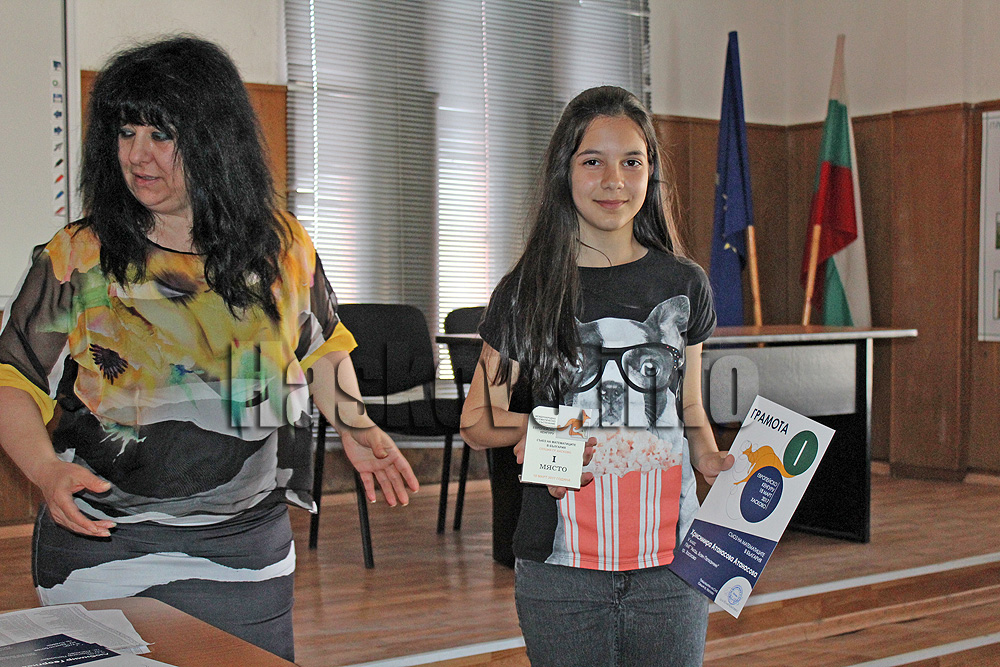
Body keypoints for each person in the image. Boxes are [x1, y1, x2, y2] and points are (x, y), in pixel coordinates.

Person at [0, 36, 418, 662]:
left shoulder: (280, 245)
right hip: (104, 546)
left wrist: (356, 425)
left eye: (160, 134)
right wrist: (45, 470)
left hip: (248, 551)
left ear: (214, 138)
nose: (136, 154)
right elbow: (13, 379)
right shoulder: (80, 256)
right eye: (125, 132)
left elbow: (320, 346)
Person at [460, 86, 734, 666]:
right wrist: (537, 429)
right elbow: (478, 420)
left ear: (650, 171)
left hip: (674, 563)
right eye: (593, 161)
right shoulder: (526, 290)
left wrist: (709, 457)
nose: (614, 180)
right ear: (565, 170)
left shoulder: (685, 284)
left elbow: (689, 409)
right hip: (560, 570)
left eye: (631, 161)